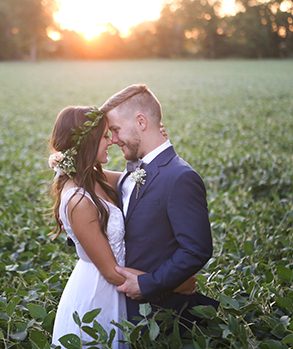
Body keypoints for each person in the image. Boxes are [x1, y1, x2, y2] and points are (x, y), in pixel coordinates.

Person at [48, 105, 195, 348]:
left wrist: (153, 145)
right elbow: (110, 272)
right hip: (99, 295)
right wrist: (174, 283)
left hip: (118, 290)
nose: (112, 141)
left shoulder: (94, 177)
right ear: (86, 142)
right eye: (105, 136)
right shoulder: (78, 201)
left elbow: (143, 177)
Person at [100, 84, 219, 326]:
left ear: (141, 122)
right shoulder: (130, 174)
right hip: (121, 309)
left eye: (115, 130)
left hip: (162, 316)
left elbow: (197, 249)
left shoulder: (180, 177)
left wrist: (149, 284)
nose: (112, 140)